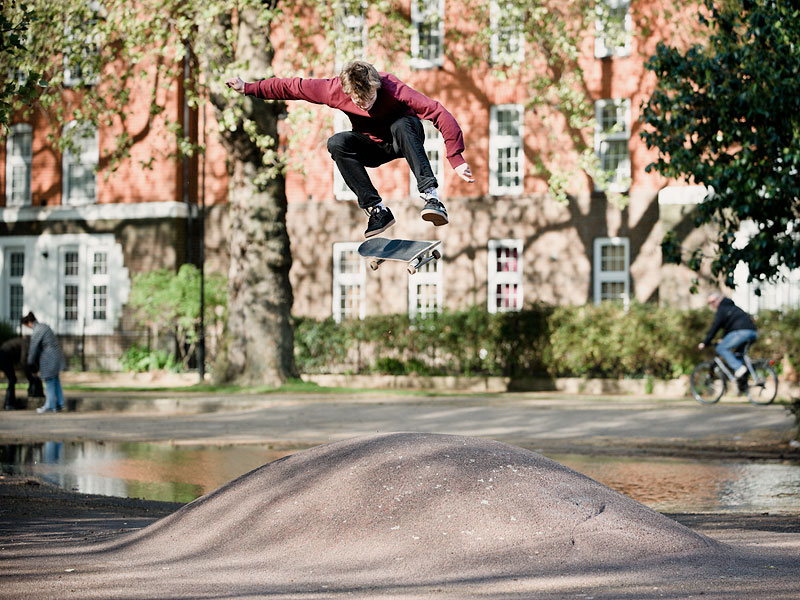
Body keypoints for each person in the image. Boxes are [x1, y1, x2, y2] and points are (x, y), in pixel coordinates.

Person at [225, 60, 474, 238]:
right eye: (358, 101)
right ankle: (377, 210)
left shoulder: (393, 87)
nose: (365, 106)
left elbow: (438, 112)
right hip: (373, 148)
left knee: (402, 123)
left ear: (376, 86)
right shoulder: (333, 89)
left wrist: (456, 157)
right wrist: (248, 88)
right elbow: (292, 87)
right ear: (346, 92)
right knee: (337, 142)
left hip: (405, 139)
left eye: (369, 99)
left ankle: (431, 197)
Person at [697, 293, 758, 391]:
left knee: (721, 348)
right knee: (738, 355)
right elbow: (730, 327)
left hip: (741, 332)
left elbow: (715, 327)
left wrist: (705, 342)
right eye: (710, 303)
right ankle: (743, 384)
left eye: (713, 301)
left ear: (719, 299)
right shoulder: (732, 307)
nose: (712, 304)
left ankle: (739, 368)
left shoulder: (722, 309)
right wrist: (724, 338)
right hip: (753, 332)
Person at [21, 312, 66, 413]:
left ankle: (50, 405)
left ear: (29, 323)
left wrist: (30, 363)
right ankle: (59, 404)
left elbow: (33, 349)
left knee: (49, 380)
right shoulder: (44, 326)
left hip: (48, 357)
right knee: (55, 380)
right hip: (56, 354)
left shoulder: (37, 330)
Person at [0, 336, 44, 410]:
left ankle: (11, 403)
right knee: (12, 379)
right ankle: (8, 404)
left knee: (12, 379)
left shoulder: (23, 342)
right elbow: (23, 362)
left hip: (3, 356)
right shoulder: (26, 344)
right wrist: (30, 376)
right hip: (3, 357)